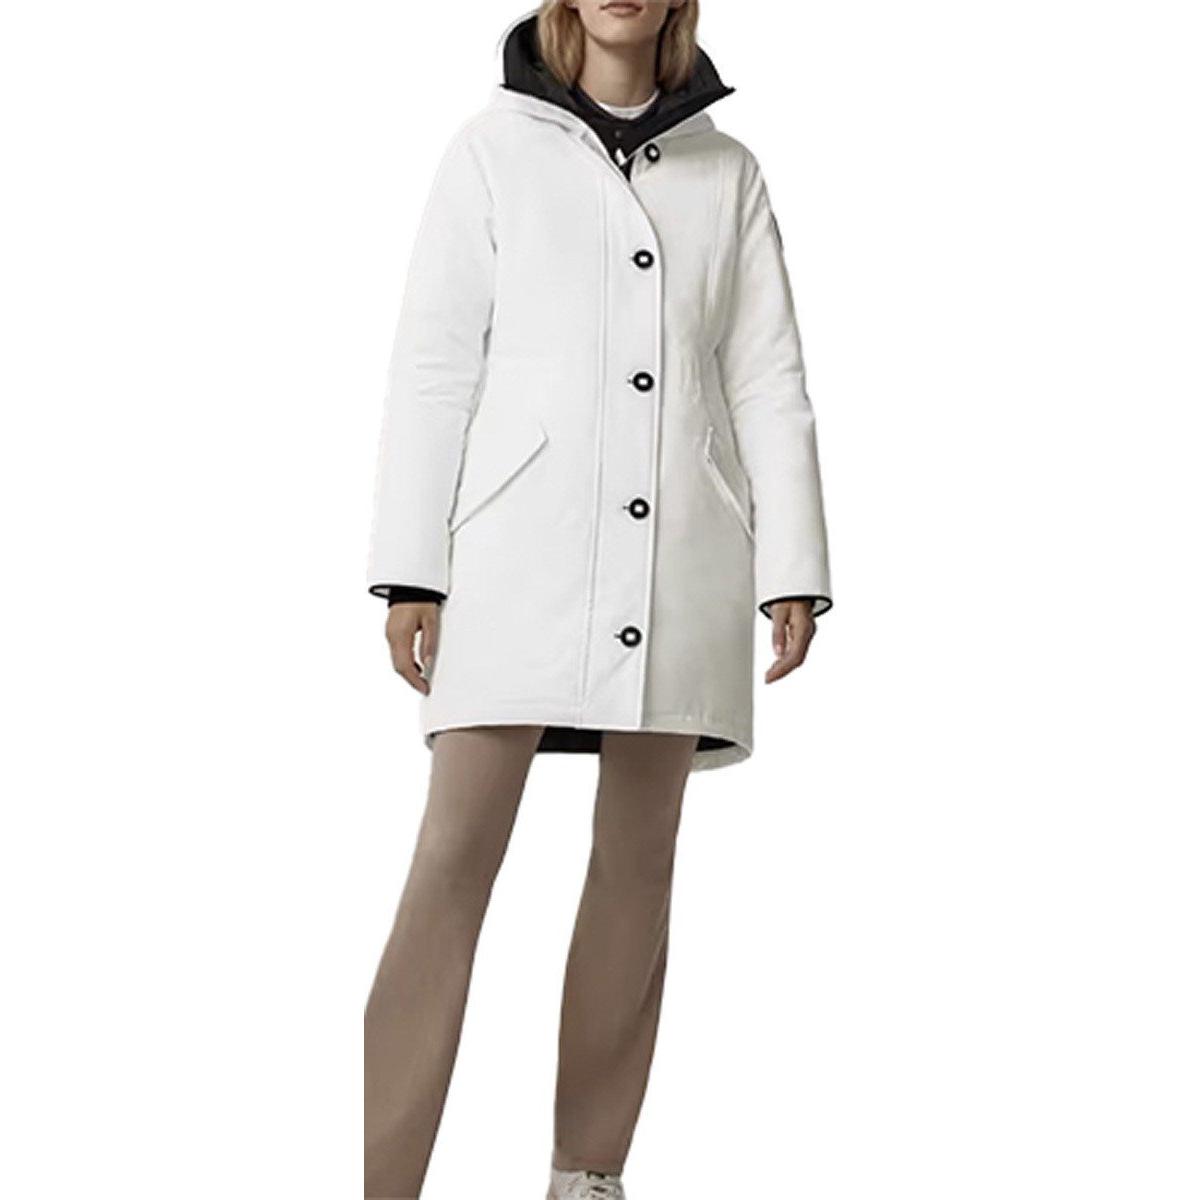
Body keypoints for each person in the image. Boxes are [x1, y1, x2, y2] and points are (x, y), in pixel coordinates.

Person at [363, 3, 833, 1197]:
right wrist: (413, 568)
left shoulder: (730, 172)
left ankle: (587, 1178)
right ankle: (385, 1182)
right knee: (453, 858)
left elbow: (768, 375)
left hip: (684, 557)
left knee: (641, 861)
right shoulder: (490, 151)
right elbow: (434, 366)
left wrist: (794, 565)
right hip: (510, 557)